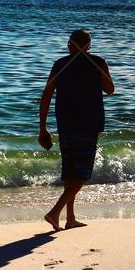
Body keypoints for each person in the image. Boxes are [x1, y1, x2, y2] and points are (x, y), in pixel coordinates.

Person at [38, 29, 115, 231]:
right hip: (87, 124)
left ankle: (70, 218)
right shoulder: (95, 62)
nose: (68, 47)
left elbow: (46, 96)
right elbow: (111, 89)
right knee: (81, 174)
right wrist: (42, 128)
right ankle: (55, 212)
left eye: (69, 43)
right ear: (89, 45)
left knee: (72, 172)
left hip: (66, 123)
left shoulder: (62, 64)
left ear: (71, 45)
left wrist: (43, 127)